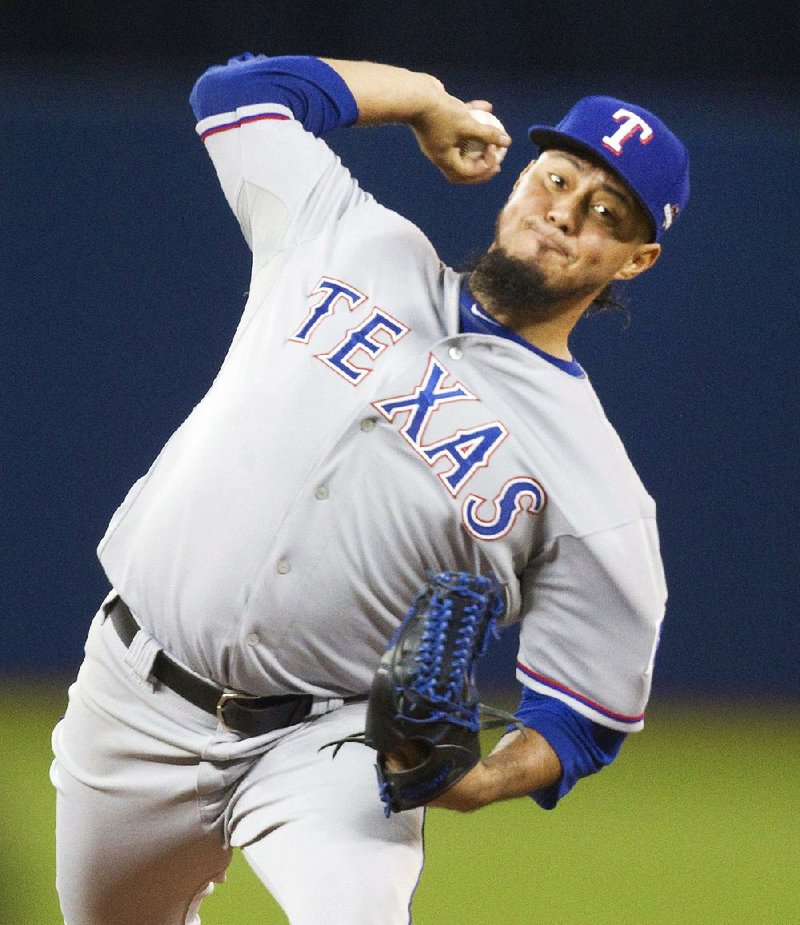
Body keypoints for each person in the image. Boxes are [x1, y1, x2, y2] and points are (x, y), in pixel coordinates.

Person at [50, 52, 689, 925]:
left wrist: (476, 782)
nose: (564, 212)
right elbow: (233, 95)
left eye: (604, 213)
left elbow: (582, 716)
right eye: (558, 177)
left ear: (636, 259)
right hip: (130, 694)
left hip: (324, 744)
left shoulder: (596, 481)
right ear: (520, 180)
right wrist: (425, 101)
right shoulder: (350, 236)